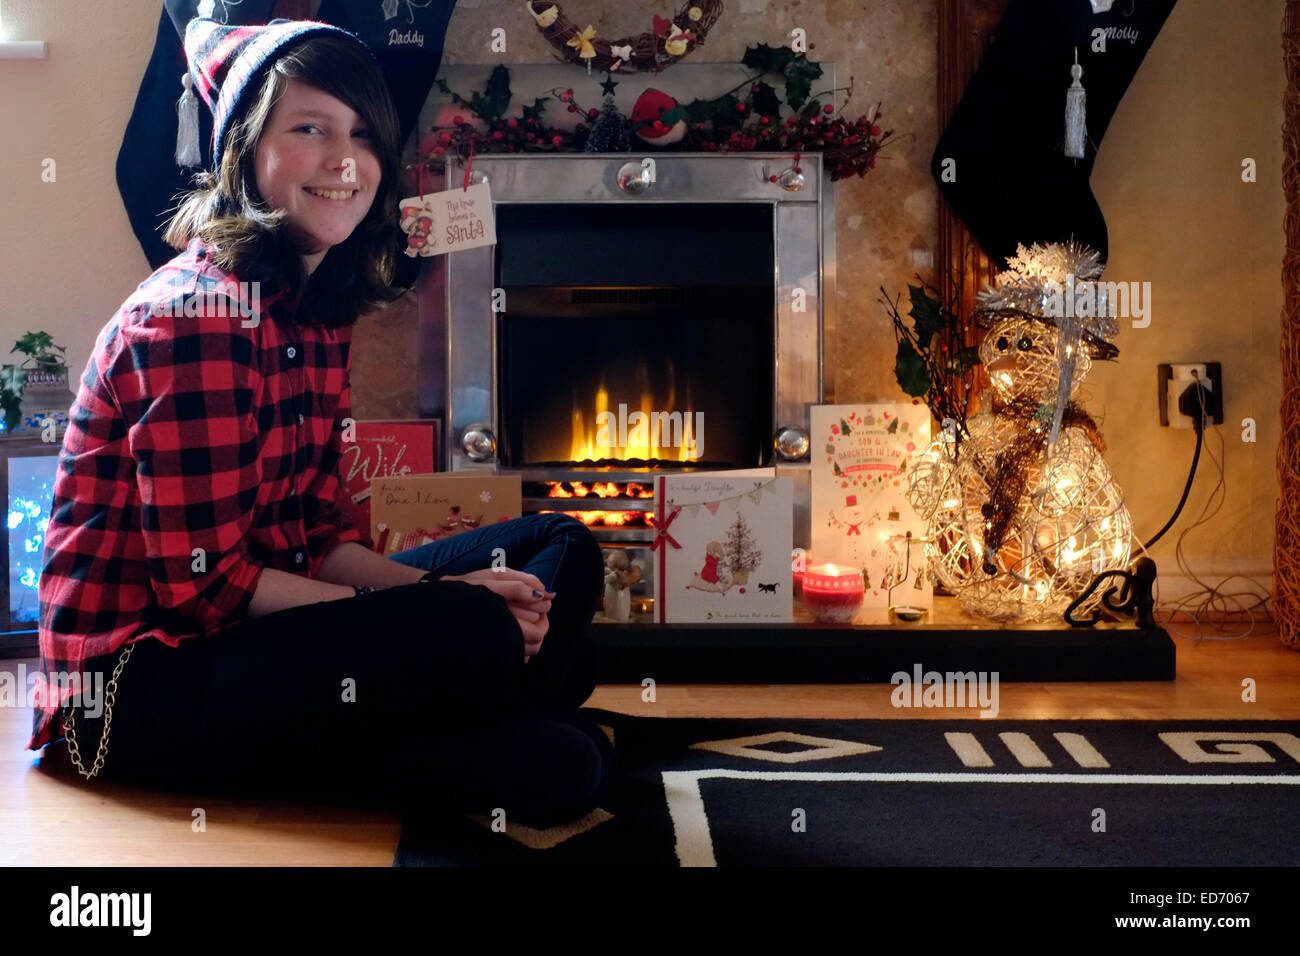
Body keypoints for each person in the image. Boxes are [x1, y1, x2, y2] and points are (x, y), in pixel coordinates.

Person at [28, 17, 613, 829]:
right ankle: (470, 705)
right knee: (557, 750)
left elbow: (317, 536)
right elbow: (206, 591)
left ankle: (448, 697)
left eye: (363, 134)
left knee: (564, 548)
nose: (347, 162)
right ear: (244, 148)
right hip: (137, 685)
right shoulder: (197, 316)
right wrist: (447, 607)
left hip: (247, 639)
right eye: (311, 129)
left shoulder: (313, 309)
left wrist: (442, 596)